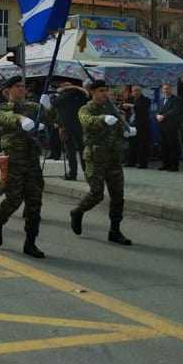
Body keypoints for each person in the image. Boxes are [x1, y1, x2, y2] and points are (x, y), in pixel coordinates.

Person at [0, 76, 56, 258]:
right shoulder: (2, 108)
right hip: (14, 161)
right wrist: (21, 119)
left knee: (35, 203)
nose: (21, 89)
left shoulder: (33, 107)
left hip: (32, 160)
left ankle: (30, 242)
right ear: (7, 91)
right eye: (17, 87)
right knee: (14, 200)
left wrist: (48, 106)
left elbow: (52, 119)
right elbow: (5, 118)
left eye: (23, 87)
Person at [70, 80, 133, 245]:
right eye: (100, 91)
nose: (104, 93)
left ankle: (115, 231)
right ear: (92, 92)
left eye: (106, 90)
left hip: (114, 158)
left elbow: (120, 128)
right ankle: (78, 211)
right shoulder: (86, 109)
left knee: (118, 196)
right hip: (95, 157)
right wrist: (103, 118)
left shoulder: (113, 109)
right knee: (96, 194)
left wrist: (127, 130)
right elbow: (87, 121)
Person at [54, 79, 89, 180]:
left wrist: (61, 91)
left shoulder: (63, 96)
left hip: (66, 127)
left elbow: (54, 103)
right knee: (82, 150)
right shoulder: (81, 95)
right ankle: (87, 173)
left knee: (70, 151)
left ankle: (72, 174)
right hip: (80, 126)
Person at [156, 83, 183, 172]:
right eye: (164, 89)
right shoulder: (161, 100)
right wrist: (157, 115)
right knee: (164, 146)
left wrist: (164, 116)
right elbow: (158, 110)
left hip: (171, 126)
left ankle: (174, 166)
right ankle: (165, 164)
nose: (165, 91)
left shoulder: (176, 99)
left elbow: (175, 111)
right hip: (162, 126)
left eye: (167, 89)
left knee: (173, 146)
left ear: (171, 90)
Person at [124, 85, 151, 168]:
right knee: (132, 143)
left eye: (137, 91)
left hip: (142, 125)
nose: (135, 92)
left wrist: (131, 106)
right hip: (131, 124)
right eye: (133, 91)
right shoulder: (130, 100)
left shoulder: (146, 100)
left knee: (142, 144)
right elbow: (126, 110)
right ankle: (131, 161)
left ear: (140, 91)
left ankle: (142, 163)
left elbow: (141, 108)